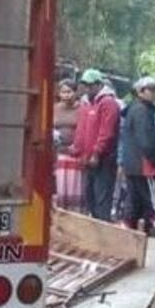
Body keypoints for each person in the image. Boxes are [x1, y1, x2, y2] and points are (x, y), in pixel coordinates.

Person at [120, 77, 155, 236]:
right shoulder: (141, 111)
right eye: (151, 89)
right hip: (144, 165)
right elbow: (146, 142)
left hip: (134, 165)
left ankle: (132, 235)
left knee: (134, 203)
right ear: (140, 92)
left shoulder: (138, 110)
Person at [72, 69, 121, 222]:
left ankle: (103, 233)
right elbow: (81, 130)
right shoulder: (85, 104)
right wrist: (77, 150)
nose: (87, 88)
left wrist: (97, 153)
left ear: (99, 85)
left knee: (102, 198)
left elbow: (107, 132)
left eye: (90, 85)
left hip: (103, 159)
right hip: (87, 159)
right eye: (85, 85)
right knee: (89, 197)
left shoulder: (108, 103)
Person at [52, 80, 85, 212]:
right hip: (59, 153)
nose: (66, 95)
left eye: (69, 92)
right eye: (63, 92)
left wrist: (76, 146)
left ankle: (75, 213)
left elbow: (84, 129)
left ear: (76, 93)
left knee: (74, 186)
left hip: (75, 154)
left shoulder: (82, 109)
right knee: (61, 186)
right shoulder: (55, 108)